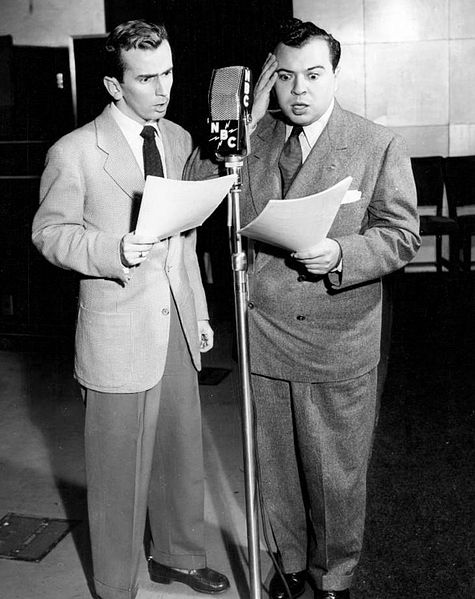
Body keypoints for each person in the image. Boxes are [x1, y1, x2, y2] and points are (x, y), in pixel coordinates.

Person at [186, 17, 420, 599]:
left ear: (334, 75)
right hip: (265, 334)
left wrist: (342, 252)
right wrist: (242, 118)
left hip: (339, 337)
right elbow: (195, 186)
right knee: (278, 469)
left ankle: (335, 577)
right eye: (285, 77)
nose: (299, 90)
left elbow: (401, 233)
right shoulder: (253, 136)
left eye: (314, 75)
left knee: (336, 476)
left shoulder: (375, 143)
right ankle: (288, 566)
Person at [32, 20, 229, 599]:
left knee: (181, 446)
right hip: (117, 324)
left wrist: (197, 310)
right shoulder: (74, 152)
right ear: (114, 86)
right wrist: (108, 249)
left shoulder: (178, 138)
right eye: (146, 78)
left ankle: (178, 556)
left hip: (174, 316)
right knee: (119, 468)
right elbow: (49, 234)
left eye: (167, 72)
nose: (162, 87)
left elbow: (185, 234)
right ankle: (115, 584)